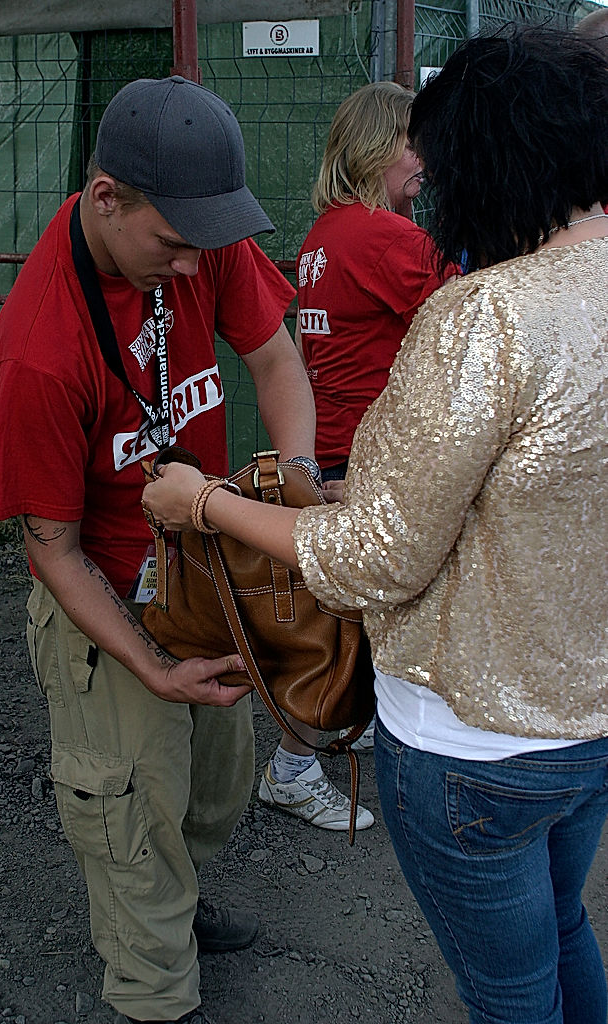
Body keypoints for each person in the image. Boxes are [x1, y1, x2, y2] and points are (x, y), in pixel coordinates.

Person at [143, 26, 608, 1024]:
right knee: (564, 927)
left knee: (508, 991)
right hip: (589, 715)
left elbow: (368, 565)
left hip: (473, 738)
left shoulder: (479, 316)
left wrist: (206, 504)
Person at [0, 76, 319, 1024]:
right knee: (127, 811)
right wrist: (148, 668)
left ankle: (174, 891)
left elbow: (276, 361)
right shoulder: (44, 345)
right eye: (171, 245)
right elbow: (50, 546)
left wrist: (287, 498)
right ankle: (152, 985)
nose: (191, 266)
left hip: (203, 568)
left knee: (214, 785)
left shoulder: (195, 236)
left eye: (202, 244)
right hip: (105, 596)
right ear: (104, 199)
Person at [259, 82, 458, 827]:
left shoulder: (325, 233)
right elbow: (467, 323)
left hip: (335, 449)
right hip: (366, 460)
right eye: (414, 143)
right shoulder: (388, 237)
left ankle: (348, 726)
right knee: (338, 628)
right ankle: (290, 767)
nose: (426, 160)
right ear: (378, 148)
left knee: (346, 619)